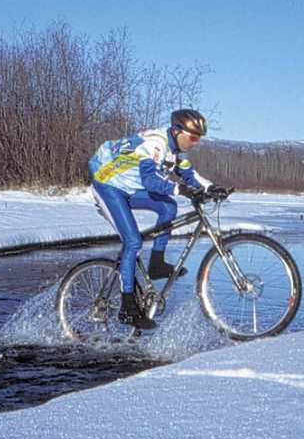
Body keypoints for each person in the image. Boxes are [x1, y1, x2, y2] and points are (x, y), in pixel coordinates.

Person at [88, 109, 227, 329]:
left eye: (199, 138)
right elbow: (151, 181)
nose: (195, 143)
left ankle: (156, 264)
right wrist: (180, 189)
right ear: (176, 131)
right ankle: (128, 307)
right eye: (192, 137)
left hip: (128, 189)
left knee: (168, 207)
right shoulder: (156, 144)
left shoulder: (174, 150)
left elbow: (189, 174)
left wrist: (211, 187)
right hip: (107, 186)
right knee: (133, 241)